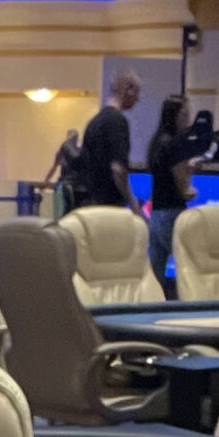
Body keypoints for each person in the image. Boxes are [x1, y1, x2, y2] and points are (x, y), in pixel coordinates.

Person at [144, 93, 192, 289]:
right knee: (188, 264)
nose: (188, 120)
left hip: (157, 212)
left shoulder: (157, 142)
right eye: (185, 115)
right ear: (175, 116)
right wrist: (189, 189)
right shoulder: (176, 143)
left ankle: (150, 304)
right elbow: (182, 183)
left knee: (155, 270)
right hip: (173, 212)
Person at [77, 70, 142, 212]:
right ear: (127, 89)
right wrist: (132, 202)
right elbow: (118, 168)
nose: (138, 99)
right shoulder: (118, 121)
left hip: (92, 201)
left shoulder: (94, 122)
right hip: (110, 204)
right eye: (137, 92)